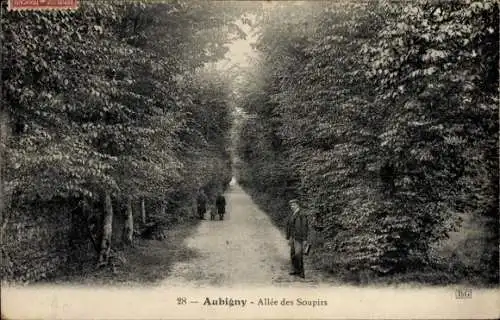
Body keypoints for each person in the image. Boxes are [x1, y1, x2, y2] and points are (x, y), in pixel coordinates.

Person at [286, 199, 309, 278]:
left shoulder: (302, 214)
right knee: (292, 254)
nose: (292, 206)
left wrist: (305, 239)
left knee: (298, 254)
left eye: (293, 205)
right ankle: (295, 270)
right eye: (291, 205)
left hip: (299, 237)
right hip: (292, 237)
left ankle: (301, 272)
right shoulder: (292, 214)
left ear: (298, 205)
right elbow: (289, 225)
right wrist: (288, 237)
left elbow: (305, 227)